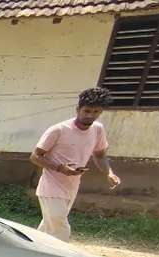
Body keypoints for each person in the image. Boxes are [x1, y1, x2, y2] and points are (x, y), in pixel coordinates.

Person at [29, 87, 121, 242]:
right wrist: (60, 168)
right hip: (51, 186)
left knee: (50, 225)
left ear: (100, 112)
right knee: (59, 225)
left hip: (72, 186)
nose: (90, 115)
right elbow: (35, 156)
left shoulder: (98, 129)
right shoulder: (58, 129)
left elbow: (99, 155)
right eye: (87, 111)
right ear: (78, 109)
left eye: (96, 112)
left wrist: (109, 173)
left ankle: (33, 250)